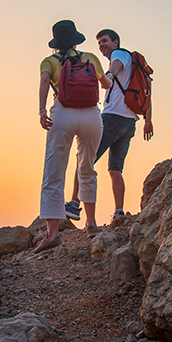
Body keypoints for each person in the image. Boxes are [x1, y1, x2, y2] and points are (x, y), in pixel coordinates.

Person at [36, 20, 112, 252]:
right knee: (87, 167)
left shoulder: (49, 61)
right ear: (76, 40)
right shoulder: (90, 57)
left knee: (54, 171)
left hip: (62, 115)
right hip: (91, 116)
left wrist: (41, 110)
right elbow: (106, 84)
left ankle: (52, 234)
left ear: (56, 43)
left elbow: (44, 83)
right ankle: (90, 224)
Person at [66, 28, 153, 224]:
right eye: (99, 43)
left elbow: (115, 65)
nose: (101, 45)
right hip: (130, 124)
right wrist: (148, 120)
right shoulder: (134, 65)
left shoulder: (119, 54)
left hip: (112, 119)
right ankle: (119, 211)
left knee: (83, 159)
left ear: (115, 42)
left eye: (104, 41)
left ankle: (73, 202)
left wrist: (107, 76)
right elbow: (147, 93)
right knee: (115, 169)